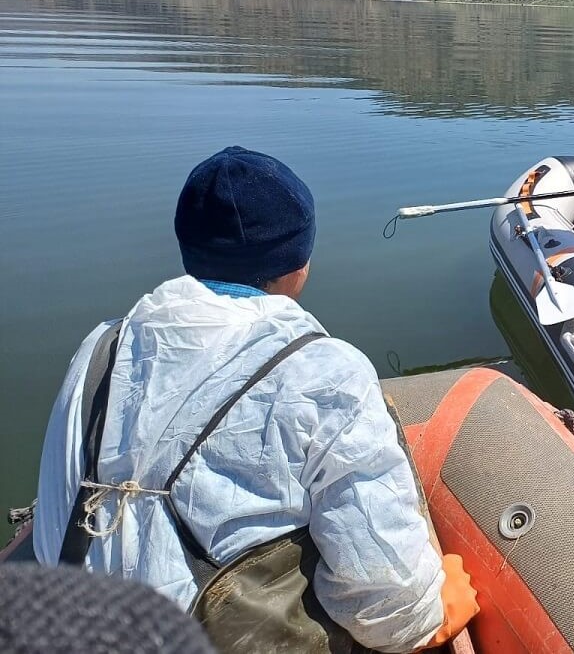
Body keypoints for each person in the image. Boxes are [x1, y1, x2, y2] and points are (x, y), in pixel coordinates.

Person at [32, 146, 478, 652]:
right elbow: (387, 608)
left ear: (188, 247)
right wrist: (431, 614)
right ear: (298, 265)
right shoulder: (327, 374)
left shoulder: (101, 347)